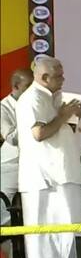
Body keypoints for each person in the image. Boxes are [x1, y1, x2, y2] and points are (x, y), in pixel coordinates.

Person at [16, 57, 81, 258]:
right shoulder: (31, 98)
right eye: (59, 75)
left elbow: (61, 133)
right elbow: (39, 133)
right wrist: (63, 115)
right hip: (44, 179)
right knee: (45, 237)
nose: (63, 79)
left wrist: (72, 118)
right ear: (44, 77)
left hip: (65, 174)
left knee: (72, 232)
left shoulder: (55, 98)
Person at [0, 68, 33, 205]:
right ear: (15, 86)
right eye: (28, 86)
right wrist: (32, 121)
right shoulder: (3, 108)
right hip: (11, 165)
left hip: (32, 164)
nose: (32, 90)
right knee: (6, 209)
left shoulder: (36, 104)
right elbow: (11, 138)